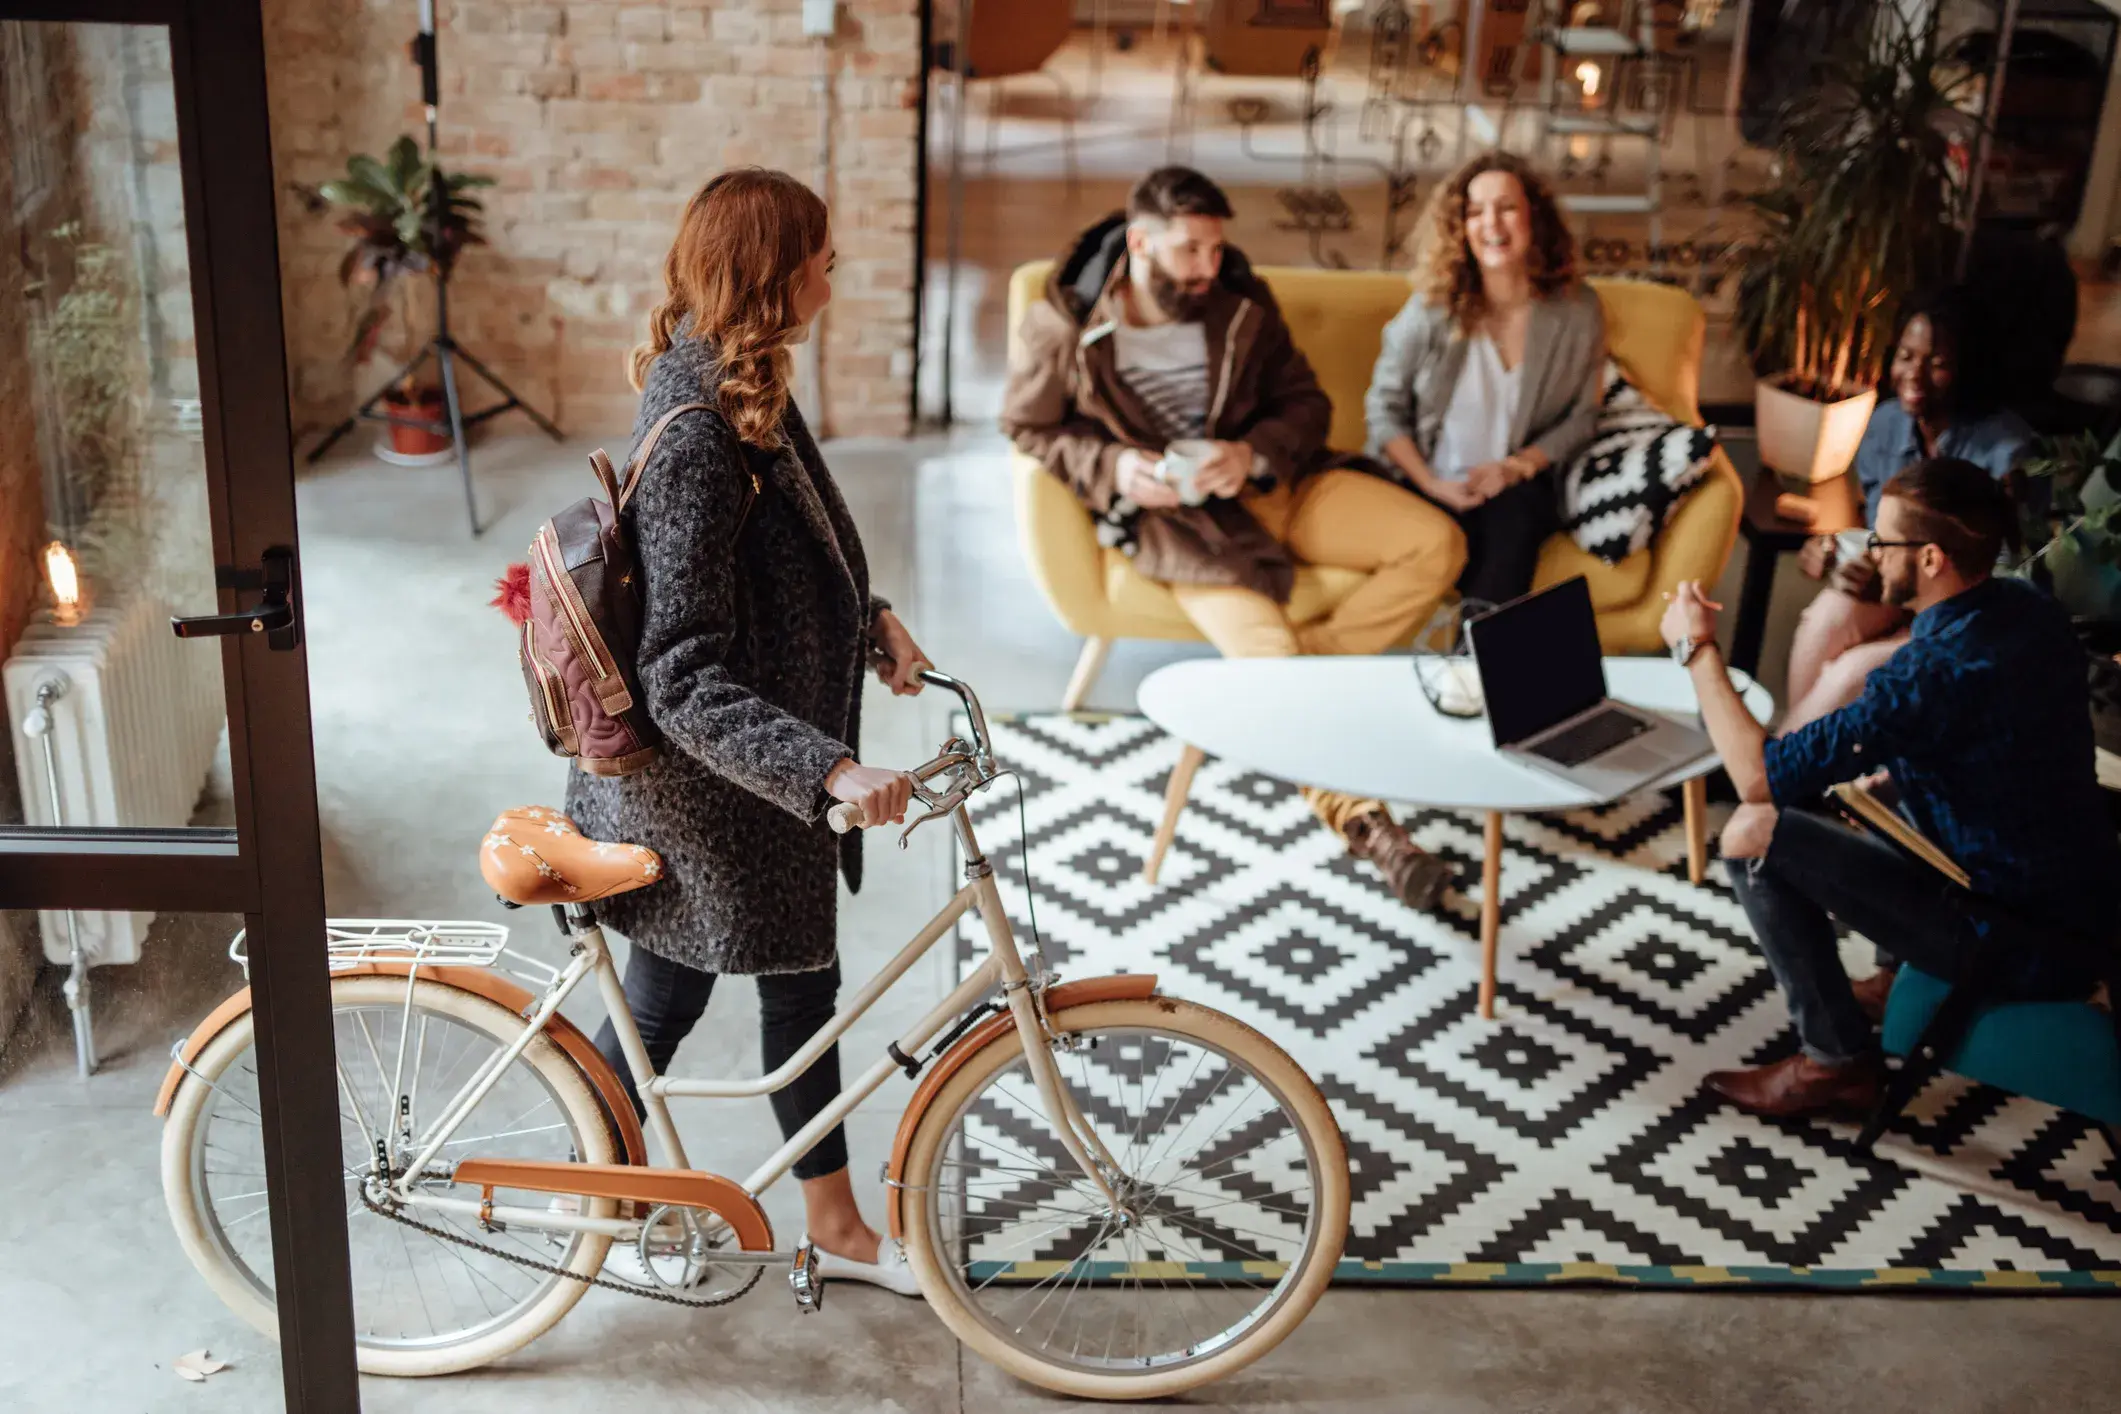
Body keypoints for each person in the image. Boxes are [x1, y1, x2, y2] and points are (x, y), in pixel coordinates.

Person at [564, 168, 927, 1294]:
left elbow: (773, 567)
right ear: (774, 277)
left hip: (755, 789)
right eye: (819, 254)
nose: (835, 269)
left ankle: (834, 1225)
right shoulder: (700, 438)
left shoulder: (751, 385)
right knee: (668, 996)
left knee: (800, 985)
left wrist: (865, 619)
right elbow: (677, 669)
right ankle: (609, 1208)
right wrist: (827, 764)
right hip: (708, 794)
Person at [1002, 165, 1468, 911]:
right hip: (1183, 527)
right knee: (1269, 654)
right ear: (1139, 242)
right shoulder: (1065, 320)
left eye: (1214, 251)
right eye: (1189, 251)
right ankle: (1374, 831)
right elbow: (1027, 425)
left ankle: (1282, 682)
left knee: (1435, 544)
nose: (1206, 269)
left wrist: (1249, 455)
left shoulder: (1241, 303)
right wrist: (1114, 466)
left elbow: (1305, 404)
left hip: (1276, 486)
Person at [1659, 457, 2118, 1118]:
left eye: (1882, 539)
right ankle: (1887, 977)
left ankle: (1833, 1061)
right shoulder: (2026, 609)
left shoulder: (1933, 676)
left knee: (1748, 833)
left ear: (1930, 558)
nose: (1871, 552)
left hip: (2014, 938)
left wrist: (1697, 649)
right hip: (2081, 907)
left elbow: (1757, 780)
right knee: (1882, 789)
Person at [1364, 150, 1606, 607]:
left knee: (1514, 521)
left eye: (1507, 207)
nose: (1491, 223)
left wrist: (1514, 468)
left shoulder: (1577, 312)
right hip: (1429, 483)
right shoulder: (1430, 310)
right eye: (1475, 211)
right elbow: (1384, 410)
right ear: (1460, 227)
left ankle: (1470, 670)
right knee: (1447, 539)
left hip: (1515, 485)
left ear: (1535, 217)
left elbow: (1583, 417)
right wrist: (1431, 483)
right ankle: (1479, 664)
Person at [1784, 289, 2034, 729]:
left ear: (1968, 369)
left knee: (1847, 676)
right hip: (1901, 593)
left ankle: (1783, 772)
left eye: (1936, 364)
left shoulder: (2005, 452)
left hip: (1969, 615)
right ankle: (1804, 776)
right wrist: (1837, 551)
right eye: (1905, 356)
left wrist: (1904, 588)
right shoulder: (1884, 424)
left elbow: (2006, 576)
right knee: (1822, 622)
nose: (1913, 374)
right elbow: (1874, 528)